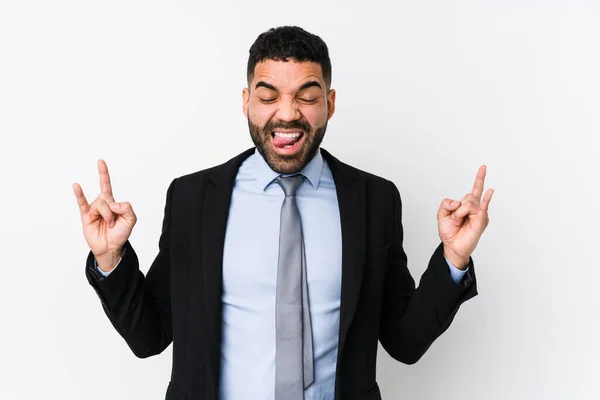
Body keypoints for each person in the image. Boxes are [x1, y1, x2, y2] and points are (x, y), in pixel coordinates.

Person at [73, 26, 494, 400]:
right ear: (246, 102)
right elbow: (150, 335)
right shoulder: (193, 197)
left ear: (329, 103)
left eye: (307, 97)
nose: (288, 113)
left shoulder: (374, 199)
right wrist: (111, 259)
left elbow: (405, 342)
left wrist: (453, 259)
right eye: (268, 96)